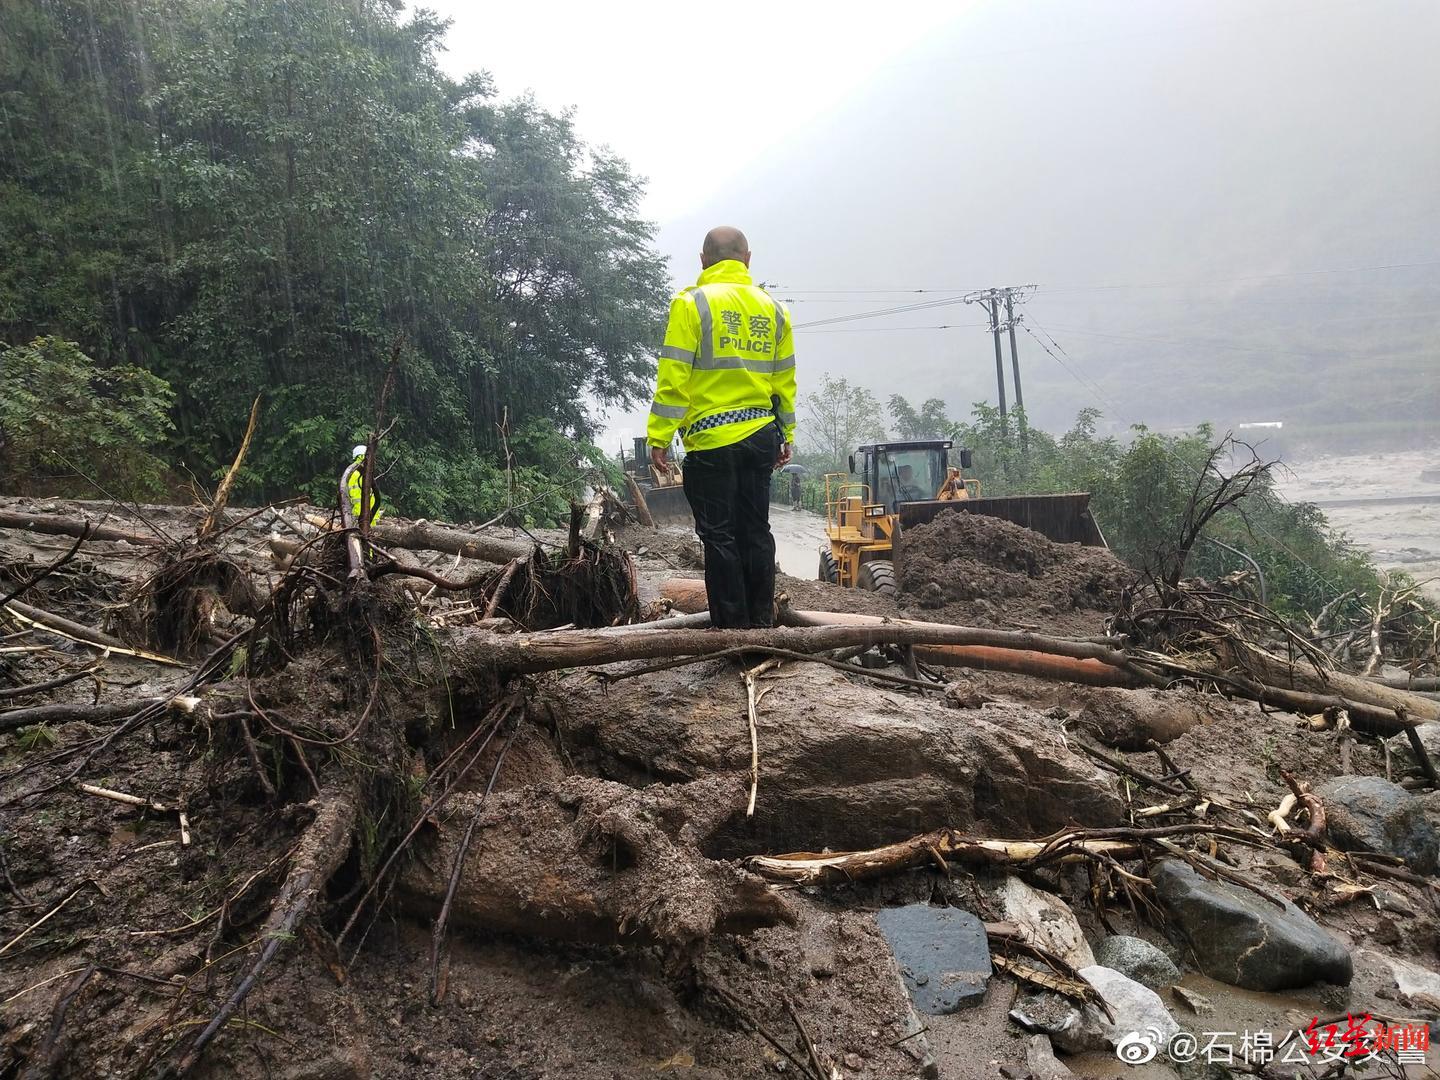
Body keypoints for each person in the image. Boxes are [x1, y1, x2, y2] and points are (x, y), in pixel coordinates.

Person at [647, 226, 797, 629]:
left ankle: (733, 632)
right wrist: (787, 435)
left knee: (720, 537)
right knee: (756, 532)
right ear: (747, 259)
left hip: (711, 443)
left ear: (703, 260)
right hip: (760, 437)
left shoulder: (691, 304)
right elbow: (784, 382)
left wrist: (659, 437)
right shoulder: (774, 309)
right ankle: (763, 623)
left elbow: (674, 378)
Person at [346, 444, 383, 527]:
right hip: (365, 516)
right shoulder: (361, 473)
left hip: (359, 515)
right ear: (364, 456)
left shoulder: (353, 472)